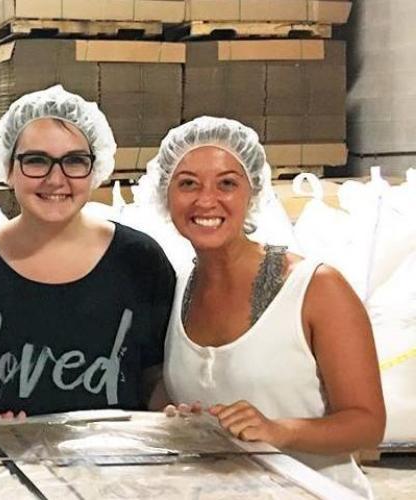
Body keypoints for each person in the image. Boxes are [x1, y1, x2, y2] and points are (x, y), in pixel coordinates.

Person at [151, 116, 385, 497]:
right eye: (188, 184)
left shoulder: (315, 288)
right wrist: (188, 423)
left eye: (227, 183)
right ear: (165, 194)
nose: (206, 199)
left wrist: (278, 430)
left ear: (253, 191)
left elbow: (367, 423)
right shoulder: (180, 288)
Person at [0, 85, 176, 418]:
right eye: (36, 161)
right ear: (8, 168)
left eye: (74, 161)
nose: (55, 179)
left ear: (96, 169)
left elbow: (155, 376)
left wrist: (177, 416)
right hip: (4, 462)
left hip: (114, 465)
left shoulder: (139, 260)